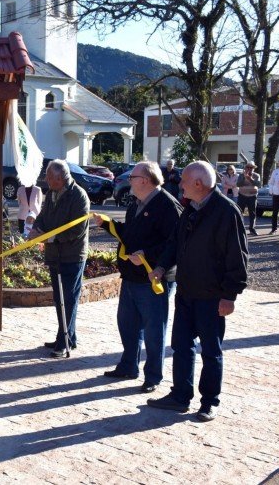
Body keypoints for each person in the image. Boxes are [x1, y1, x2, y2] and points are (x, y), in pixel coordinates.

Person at [147, 161, 248, 422]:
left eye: (183, 181)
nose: (179, 184)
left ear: (198, 184)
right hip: (187, 292)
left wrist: (230, 295)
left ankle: (209, 402)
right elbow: (174, 243)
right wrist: (160, 266)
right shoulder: (190, 208)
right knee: (181, 346)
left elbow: (238, 257)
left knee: (211, 351)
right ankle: (180, 396)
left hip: (212, 297)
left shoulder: (227, 212)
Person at [93, 162, 182, 392]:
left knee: (154, 330)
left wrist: (148, 256)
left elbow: (175, 244)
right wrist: (108, 224)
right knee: (127, 324)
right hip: (131, 276)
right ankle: (128, 365)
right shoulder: (134, 204)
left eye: (132, 177)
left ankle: (153, 376)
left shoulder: (168, 205)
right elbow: (129, 234)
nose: (128, 180)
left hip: (154, 278)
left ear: (145, 180)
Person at [28, 159, 89, 359]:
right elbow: (43, 217)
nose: (46, 180)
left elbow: (77, 230)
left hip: (72, 255)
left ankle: (64, 343)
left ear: (59, 178)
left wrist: (51, 237)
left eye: (48, 177)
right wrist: (36, 228)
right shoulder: (51, 193)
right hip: (54, 254)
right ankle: (66, 336)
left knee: (68, 299)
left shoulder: (79, 196)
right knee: (59, 298)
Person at [236, 161, 261, 236]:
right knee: (239, 212)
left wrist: (250, 179)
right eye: (248, 167)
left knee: (252, 214)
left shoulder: (256, 175)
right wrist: (244, 178)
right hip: (242, 195)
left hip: (252, 196)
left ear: (253, 168)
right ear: (245, 168)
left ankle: (252, 229)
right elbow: (238, 184)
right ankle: (239, 229)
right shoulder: (241, 175)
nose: (249, 169)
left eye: (251, 167)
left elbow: (258, 184)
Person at [267, 157, 279, 236]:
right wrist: (271, 191)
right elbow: (271, 182)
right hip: (276, 194)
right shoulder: (275, 171)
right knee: (275, 212)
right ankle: (274, 229)